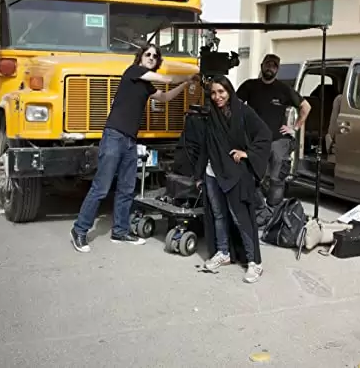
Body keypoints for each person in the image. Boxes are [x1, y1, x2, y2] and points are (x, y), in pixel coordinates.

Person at [70, 43, 198, 253]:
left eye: (155, 56)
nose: (151, 58)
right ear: (140, 57)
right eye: (148, 54)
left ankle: (120, 231)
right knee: (101, 188)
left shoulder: (145, 84)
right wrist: (190, 76)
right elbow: (166, 79)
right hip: (114, 136)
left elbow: (165, 97)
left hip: (130, 140)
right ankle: (79, 230)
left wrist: (184, 85)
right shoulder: (133, 71)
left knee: (127, 188)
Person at [195, 75, 272, 283]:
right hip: (212, 173)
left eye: (221, 92)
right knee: (219, 215)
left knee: (240, 217)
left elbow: (264, 133)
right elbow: (206, 145)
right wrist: (199, 174)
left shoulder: (243, 111)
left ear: (229, 91)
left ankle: (255, 263)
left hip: (235, 173)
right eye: (213, 93)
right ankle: (223, 252)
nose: (217, 96)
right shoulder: (211, 115)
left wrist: (248, 154)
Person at [236, 54, 311, 207]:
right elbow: (234, 107)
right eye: (268, 64)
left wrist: (294, 128)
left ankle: (274, 214)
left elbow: (306, 107)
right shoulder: (249, 86)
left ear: (277, 69)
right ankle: (257, 211)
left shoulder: (284, 89)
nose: (270, 68)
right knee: (252, 177)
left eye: (274, 66)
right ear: (262, 65)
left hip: (278, 140)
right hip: (254, 141)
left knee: (277, 180)